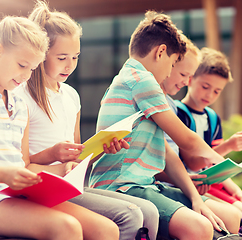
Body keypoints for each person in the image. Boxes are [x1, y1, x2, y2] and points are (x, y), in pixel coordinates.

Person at [0, 16, 119, 240]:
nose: (26, 76)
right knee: (67, 227)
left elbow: (23, 163)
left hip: (20, 196)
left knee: (107, 229)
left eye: (33, 68)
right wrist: (5, 174)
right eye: (22, 65)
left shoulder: (19, 105)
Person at [89, 11, 242, 240]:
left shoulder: (137, 80)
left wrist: (195, 198)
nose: (170, 72)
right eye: (172, 64)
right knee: (199, 227)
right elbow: (186, 139)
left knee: (229, 217)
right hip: (122, 185)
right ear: (161, 52)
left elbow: (169, 153)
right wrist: (223, 163)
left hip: (147, 184)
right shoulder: (140, 79)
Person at [14, 1, 159, 240]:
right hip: (40, 188)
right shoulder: (23, 97)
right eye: (62, 57)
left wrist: (103, 148)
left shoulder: (71, 96)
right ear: (40, 54)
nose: (70, 65)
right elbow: (23, 166)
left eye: (75, 56)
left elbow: (78, 156)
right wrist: (61, 164)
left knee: (150, 213)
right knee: (130, 215)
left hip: (71, 184)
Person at [176, 47, 242, 230]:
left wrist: (235, 188)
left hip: (216, 182)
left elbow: (215, 166)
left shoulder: (213, 118)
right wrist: (229, 146)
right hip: (194, 184)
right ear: (190, 78)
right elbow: (195, 163)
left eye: (217, 91)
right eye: (205, 87)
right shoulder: (179, 114)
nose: (209, 95)